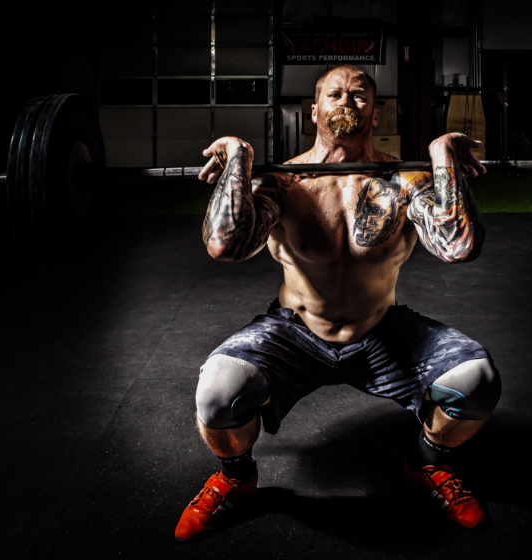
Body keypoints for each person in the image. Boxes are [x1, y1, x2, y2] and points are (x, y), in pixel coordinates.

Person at [175, 64, 501, 541]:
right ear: (314, 111)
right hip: (295, 332)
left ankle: (427, 463)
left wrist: (441, 157)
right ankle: (237, 478)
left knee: (477, 381)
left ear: (375, 112)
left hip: (381, 330)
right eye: (335, 94)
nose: (347, 101)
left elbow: (459, 246)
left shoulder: (403, 179)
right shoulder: (284, 182)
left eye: (359, 94)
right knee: (216, 394)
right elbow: (225, 245)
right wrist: (239, 161)